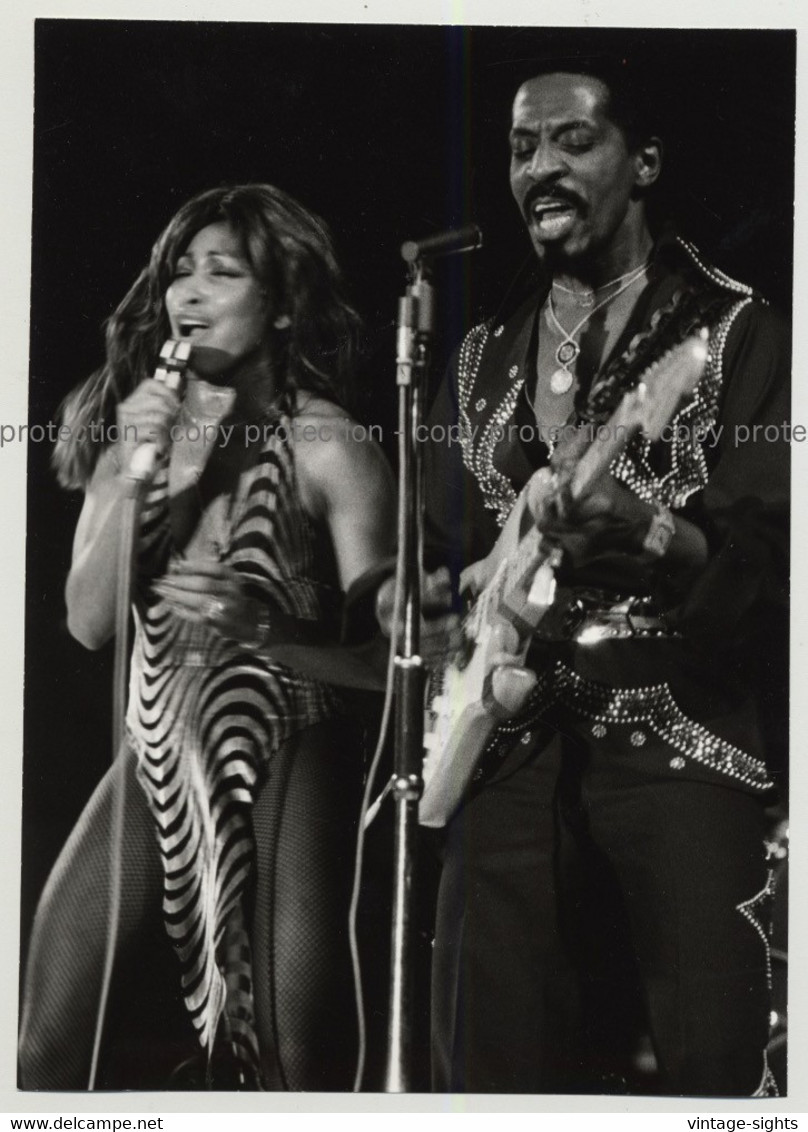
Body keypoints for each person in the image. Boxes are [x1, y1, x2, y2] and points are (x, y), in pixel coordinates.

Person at [376, 58, 789, 1096]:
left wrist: (651, 532)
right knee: (485, 1062)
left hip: (675, 726)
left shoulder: (736, 335)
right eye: (521, 148)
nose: (540, 167)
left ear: (642, 161)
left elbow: (774, 558)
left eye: (573, 140)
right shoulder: (474, 358)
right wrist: (418, 590)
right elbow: (429, 548)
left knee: (719, 1063)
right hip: (503, 739)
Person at [19, 184, 395, 1090]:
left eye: (221, 272)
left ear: (279, 302)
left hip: (287, 745)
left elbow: (398, 663)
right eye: (178, 274)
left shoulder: (328, 445)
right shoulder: (133, 436)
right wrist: (148, 468)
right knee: (44, 1045)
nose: (188, 293)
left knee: (292, 1058)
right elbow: (88, 623)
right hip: (154, 748)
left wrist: (274, 631)